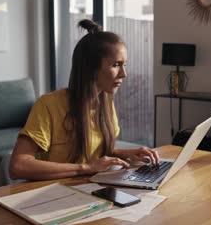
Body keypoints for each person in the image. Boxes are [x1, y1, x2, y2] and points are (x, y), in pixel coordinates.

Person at [9, 19, 159, 180]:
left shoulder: (106, 104)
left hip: (88, 188)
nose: (124, 74)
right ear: (91, 67)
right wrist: (86, 168)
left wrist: (127, 153)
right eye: (116, 65)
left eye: (124, 65)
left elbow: (96, 149)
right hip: (51, 193)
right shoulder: (48, 105)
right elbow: (18, 166)